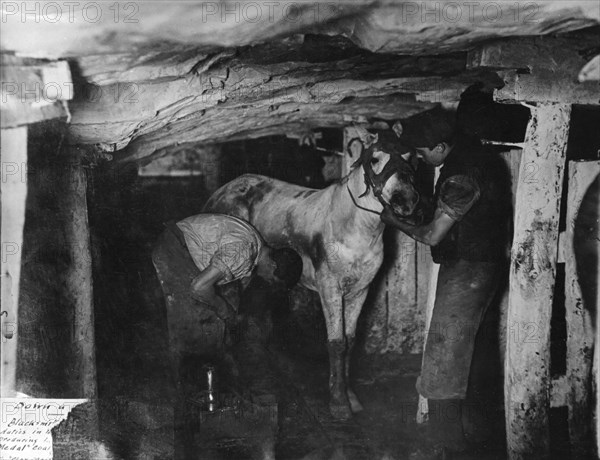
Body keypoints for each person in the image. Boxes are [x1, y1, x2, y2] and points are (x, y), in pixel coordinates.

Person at [382, 102, 511, 454]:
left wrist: (396, 222)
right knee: (463, 351)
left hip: (470, 268)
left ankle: (447, 445)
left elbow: (434, 235)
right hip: (473, 263)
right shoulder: (468, 159)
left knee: (444, 353)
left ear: (440, 147)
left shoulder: (461, 175)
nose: (420, 158)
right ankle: (469, 434)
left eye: (423, 152)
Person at [152, 213, 303, 385]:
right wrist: (224, 311)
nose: (268, 283)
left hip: (186, 247)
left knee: (213, 319)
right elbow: (199, 287)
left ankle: (201, 382)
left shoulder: (256, 247)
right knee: (191, 326)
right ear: (273, 266)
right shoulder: (243, 251)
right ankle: (184, 389)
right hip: (175, 248)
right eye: (272, 280)